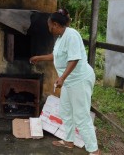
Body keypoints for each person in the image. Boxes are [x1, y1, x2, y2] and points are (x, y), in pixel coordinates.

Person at [29, 9, 100, 155]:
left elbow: (74, 59)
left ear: (55, 24)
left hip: (79, 80)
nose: (49, 29)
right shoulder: (61, 38)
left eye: (49, 26)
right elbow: (55, 56)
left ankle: (94, 150)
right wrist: (39, 57)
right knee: (65, 111)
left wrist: (62, 78)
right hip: (69, 82)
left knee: (81, 115)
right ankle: (69, 141)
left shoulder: (72, 35)